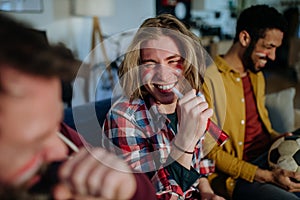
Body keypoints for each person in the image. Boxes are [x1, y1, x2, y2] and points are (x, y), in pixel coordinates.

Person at [0, 13, 156, 199]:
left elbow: (140, 188)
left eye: (55, 127)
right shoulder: (127, 115)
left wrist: (128, 188)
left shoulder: (64, 138)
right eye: (35, 143)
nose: (60, 151)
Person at [102, 13, 224, 200]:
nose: (164, 75)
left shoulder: (194, 97)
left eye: (174, 61)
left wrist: (208, 194)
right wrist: (184, 140)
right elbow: (150, 196)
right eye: (150, 63)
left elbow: (199, 164)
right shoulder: (123, 117)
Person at [202, 4, 300, 200]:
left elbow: (261, 126)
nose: (272, 56)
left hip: (269, 156)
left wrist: (280, 138)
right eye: (268, 47)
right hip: (238, 175)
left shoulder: (256, 75)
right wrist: (267, 176)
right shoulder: (209, 80)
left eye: (275, 49)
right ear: (245, 38)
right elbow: (211, 151)